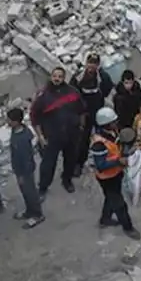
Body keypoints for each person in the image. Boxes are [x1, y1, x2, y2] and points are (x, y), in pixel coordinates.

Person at [30, 66, 83, 195]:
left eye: (60, 76)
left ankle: (67, 180)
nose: (57, 78)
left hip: (71, 135)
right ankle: (43, 187)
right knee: (48, 164)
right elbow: (34, 117)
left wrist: (81, 127)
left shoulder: (73, 92)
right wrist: (40, 136)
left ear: (64, 78)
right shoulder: (43, 96)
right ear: (51, 77)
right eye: (54, 76)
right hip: (52, 136)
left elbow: (82, 110)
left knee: (70, 160)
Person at [88, 107, 140, 239]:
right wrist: (118, 161)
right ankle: (128, 228)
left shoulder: (113, 132)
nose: (116, 123)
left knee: (110, 198)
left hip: (116, 174)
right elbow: (100, 165)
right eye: (113, 122)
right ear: (106, 124)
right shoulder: (99, 143)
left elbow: (117, 148)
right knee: (120, 204)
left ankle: (105, 219)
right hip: (107, 179)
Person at [6, 107, 45, 228]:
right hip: (19, 170)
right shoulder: (16, 131)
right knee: (25, 192)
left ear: (16, 121)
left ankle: (37, 214)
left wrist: (22, 175)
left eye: (9, 120)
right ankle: (29, 211)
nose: (8, 122)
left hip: (25, 171)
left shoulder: (22, 139)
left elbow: (26, 159)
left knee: (30, 192)